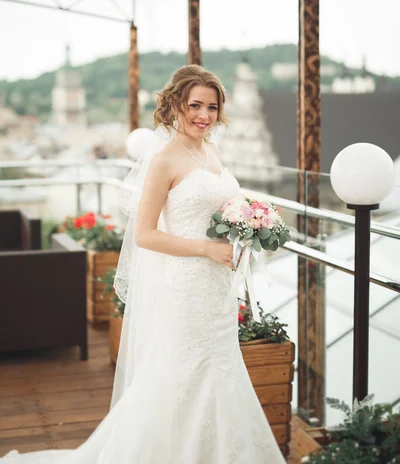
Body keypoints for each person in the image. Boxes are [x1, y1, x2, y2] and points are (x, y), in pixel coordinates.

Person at [1, 65, 285, 463]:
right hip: (187, 285)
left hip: (219, 285)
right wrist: (205, 250)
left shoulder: (211, 150)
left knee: (220, 368)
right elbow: (144, 235)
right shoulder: (164, 160)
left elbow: (215, 213)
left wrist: (249, 225)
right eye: (195, 106)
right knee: (182, 371)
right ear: (175, 105)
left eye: (212, 107)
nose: (204, 115)